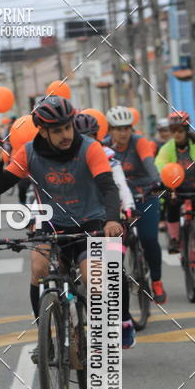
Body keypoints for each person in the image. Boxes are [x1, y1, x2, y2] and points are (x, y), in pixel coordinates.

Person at [0, 95, 125, 356]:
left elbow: (108, 186)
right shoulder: (28, 152)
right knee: (38, 269)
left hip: (90, 221)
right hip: (51, 222)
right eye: (57, 130)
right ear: (42, 131)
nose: (65, 135)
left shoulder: (89, 148)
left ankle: (98, 331)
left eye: (68, 127)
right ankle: (46, 339)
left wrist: (112, 219)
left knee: (94, 280)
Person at [74, 112, 136, 348]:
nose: (88, 141)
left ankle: (124, 320)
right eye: (83, 137)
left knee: (114, 268)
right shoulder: (70, 159)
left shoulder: (108, 156)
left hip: (108, 219)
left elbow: (120, 185)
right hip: (79, 220)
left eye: (91, 136)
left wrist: (127, 208)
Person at [104, 105, 165, 303]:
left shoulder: (140, 142)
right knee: (116, 244)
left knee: (149, 239)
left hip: (145, 196)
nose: (123, 133)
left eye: (126, 128)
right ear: (110, 130)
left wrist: (157, 181)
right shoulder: (104, 147)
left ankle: (156, 280)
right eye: (118, 128)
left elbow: (149, 163)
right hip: (121, 202)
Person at [155, 110, 195, 254]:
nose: (176, 134)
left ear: (186, 130)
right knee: (171, 204)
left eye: (180, 131)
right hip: (177, 189)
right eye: (173, 131)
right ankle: (174, 238)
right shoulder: (167, 148)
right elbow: (159, 164)